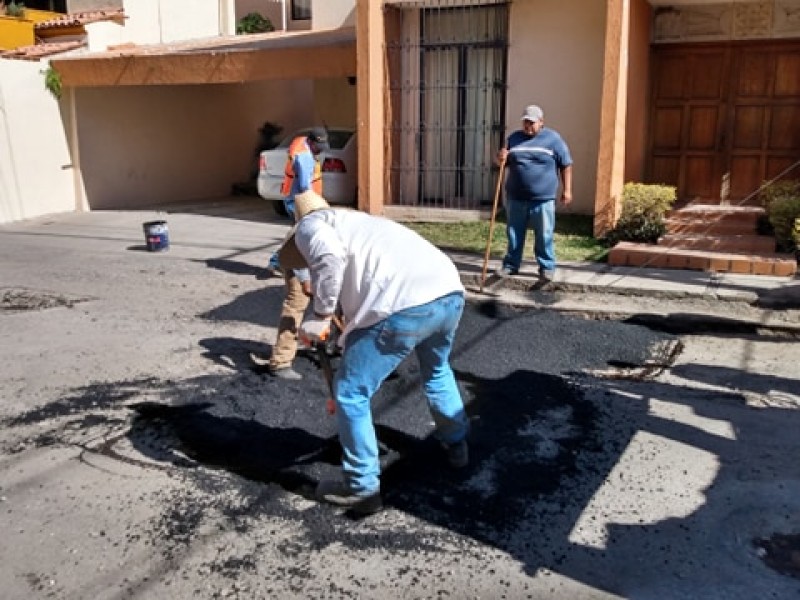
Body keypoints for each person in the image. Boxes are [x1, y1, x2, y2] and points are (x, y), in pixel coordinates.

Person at [278, 190, 470, 515]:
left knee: (351, 393)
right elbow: (362, 307)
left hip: (404, 305)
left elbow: (330, 260)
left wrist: (321, 316)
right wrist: (339, 339)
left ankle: (362, 488)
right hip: (449, 292)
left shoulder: (311, 225)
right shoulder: (362, 225)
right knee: (437, 371)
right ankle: (456, 444)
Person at [263, 127, 330, 380]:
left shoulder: (321, 225)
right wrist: (305, 280)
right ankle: (280, 362)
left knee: (329, 302)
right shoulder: (303, 226)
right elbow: (298, 255)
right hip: (297, 263)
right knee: (296, 304)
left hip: (309, 260)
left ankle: (322, 342)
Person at [496, 104, 573, 281]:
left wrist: (567, 190)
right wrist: (500, 158)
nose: (527, 126)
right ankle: (510, 265)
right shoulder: (513, 138)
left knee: (544, 233)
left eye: (531, 123)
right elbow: (502, 163)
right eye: (525, 122)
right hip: (516, 196)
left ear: (541, 122)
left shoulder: (553, 139)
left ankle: (546, 267)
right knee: (514, 233)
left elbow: (566, 165)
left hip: (543, 198)